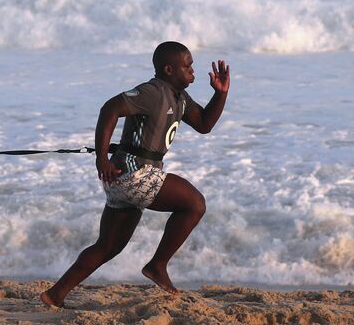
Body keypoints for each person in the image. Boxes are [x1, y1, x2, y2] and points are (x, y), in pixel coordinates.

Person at [40, 41, 230, 308]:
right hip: (134, 174)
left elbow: (204, 124)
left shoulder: (179, 97)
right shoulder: (152, 92)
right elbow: (110, 109)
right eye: (186, 66)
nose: (192, 71)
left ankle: (55, 294)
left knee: (108, 247)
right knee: (195, 204)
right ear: (168, 69)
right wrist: (101, 158)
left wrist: (221, 94)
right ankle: (157, 265)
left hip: (125, 179)